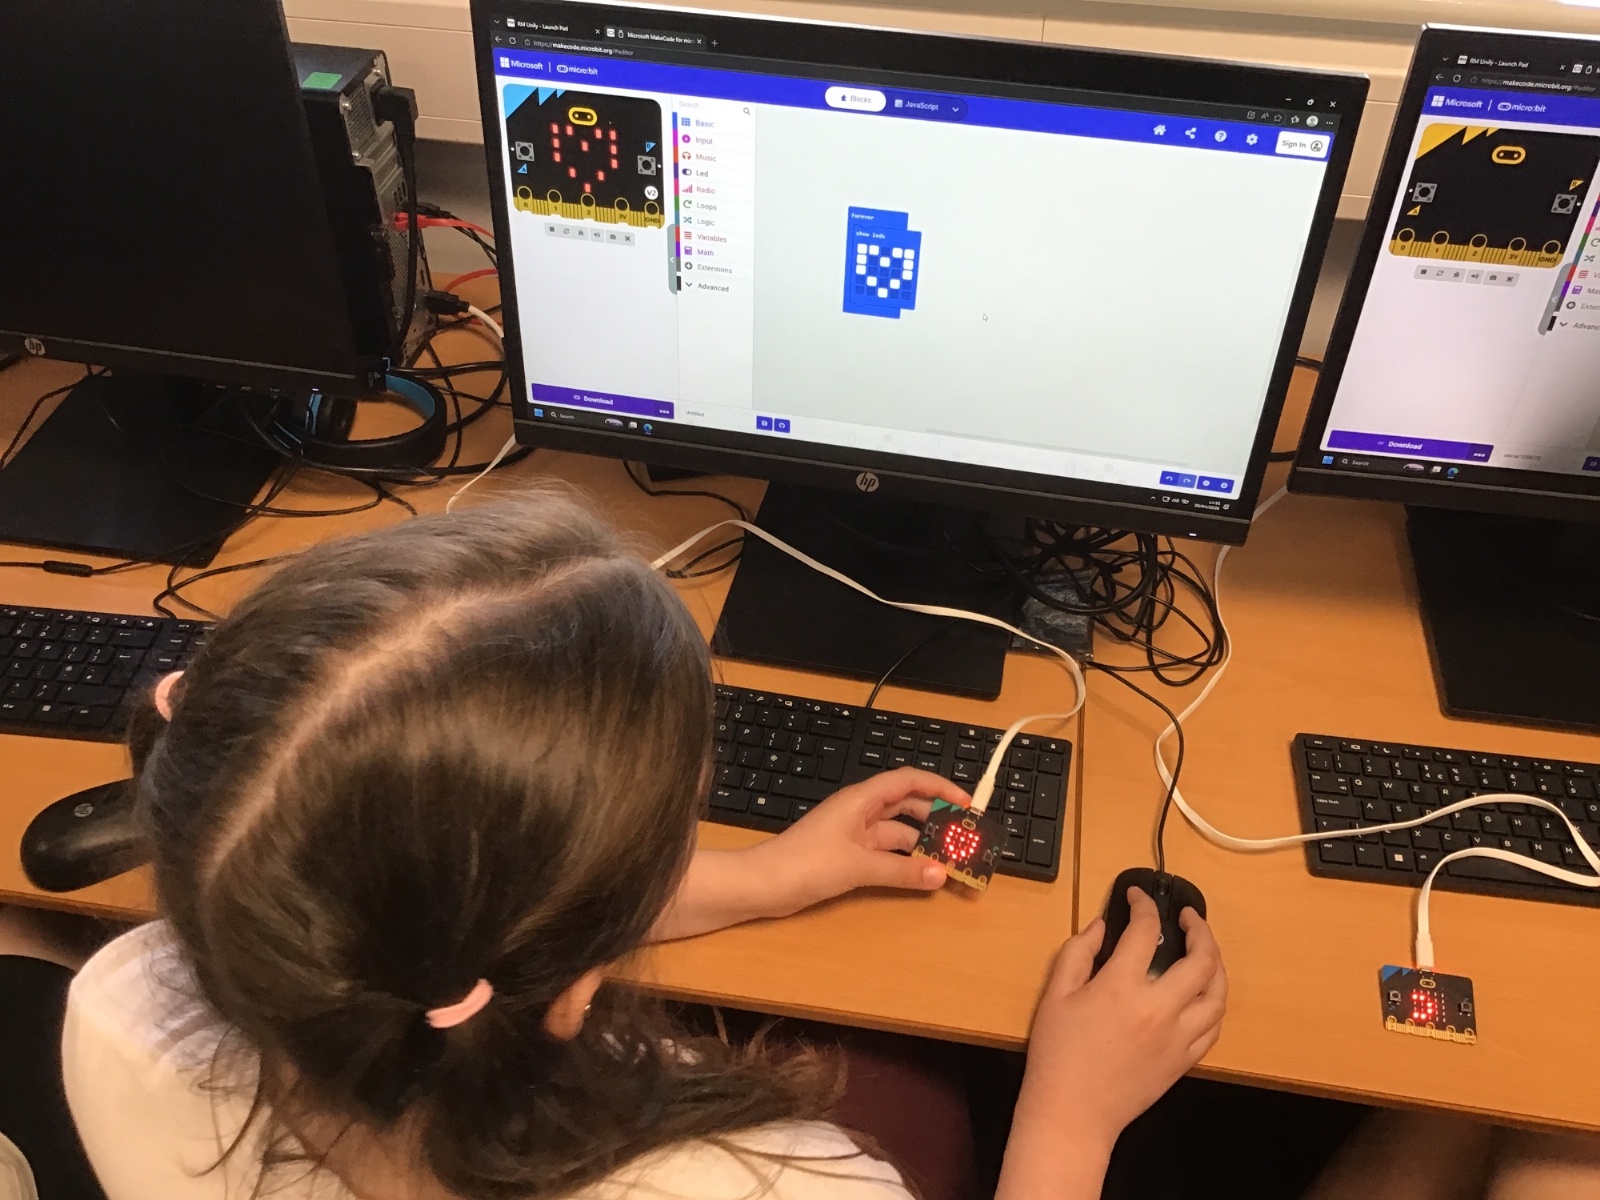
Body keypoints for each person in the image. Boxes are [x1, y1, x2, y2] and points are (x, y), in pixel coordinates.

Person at [49, 486, 1225, 1200]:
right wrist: (1068, 1120)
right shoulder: (771, 1182)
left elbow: (447, 907)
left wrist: (761, 880)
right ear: (569, 993)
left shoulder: (122, 1011)